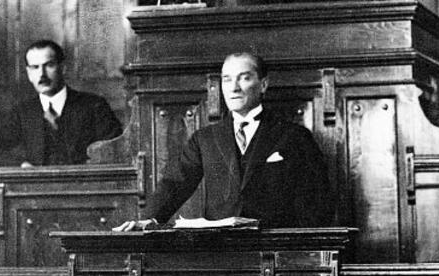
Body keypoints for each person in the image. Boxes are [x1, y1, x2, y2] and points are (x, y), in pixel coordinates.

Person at [114, 52, 333, 230]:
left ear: (263, 84)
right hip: (221, 252)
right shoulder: (204, 139)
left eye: (244, 78)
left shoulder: (295, 137)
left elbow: (317, 202)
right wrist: (149, 219)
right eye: (227, 79)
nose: (233, 87)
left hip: (275, 249)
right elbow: (175, 182)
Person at [0, 40, 122, 166]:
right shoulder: (22, 112)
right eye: (35, 67)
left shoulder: (94, 106)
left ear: (63, 68)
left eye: (49, 65)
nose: (42, 74)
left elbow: (116, 149)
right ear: (29, 74)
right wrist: (22, 164)